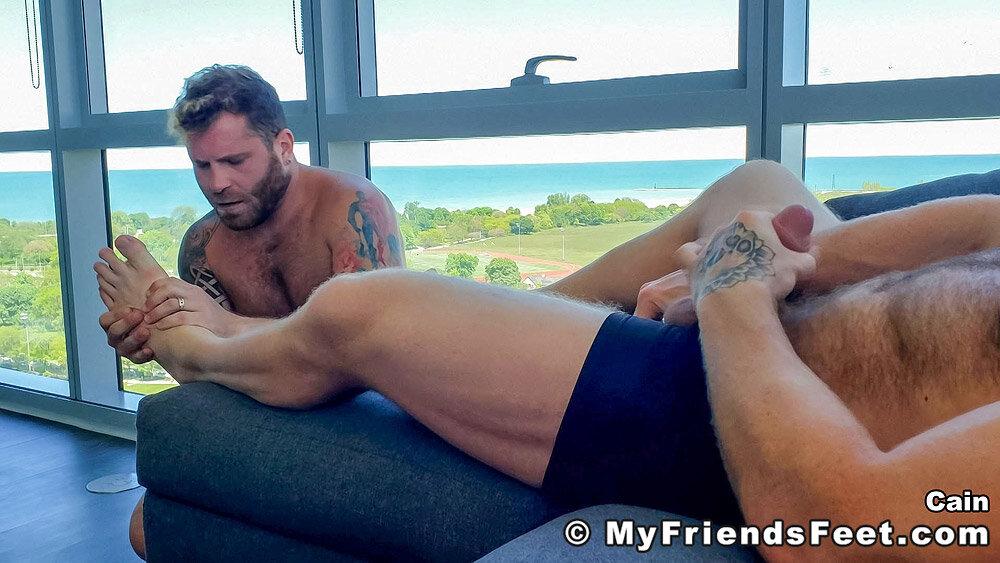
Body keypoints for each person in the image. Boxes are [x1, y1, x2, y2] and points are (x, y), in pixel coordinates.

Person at [104, 160, 1000, 559]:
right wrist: (788, 257)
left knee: (362, 309)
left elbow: (848, 531)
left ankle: (204, 346)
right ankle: (511, 327)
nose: (217, 180)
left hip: (755, 418)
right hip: (794, 330)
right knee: (754, 182)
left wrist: (732, 291)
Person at [94, 64, 404, 559]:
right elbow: (214, 369)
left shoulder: (353, 209)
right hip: (260, 407)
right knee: (146, 529)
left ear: (284, 145)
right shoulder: (202, 245)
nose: (218, 183)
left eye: (235, 161)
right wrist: (153, 337)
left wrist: (214, 325)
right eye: (202, 165)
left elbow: (367, 361)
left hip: (357, 420)